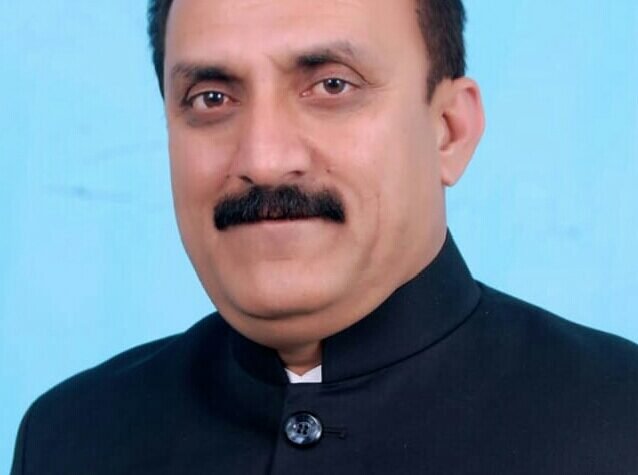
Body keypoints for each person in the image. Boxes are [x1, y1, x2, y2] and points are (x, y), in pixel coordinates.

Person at [10, 0, 638, 473]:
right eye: (211, 98)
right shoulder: (70, 438)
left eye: (333, 85)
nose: (264, 159)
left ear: (448, 130)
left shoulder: (621, 420)